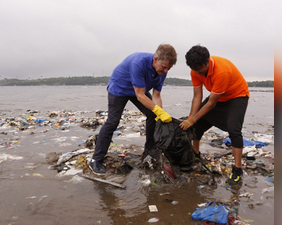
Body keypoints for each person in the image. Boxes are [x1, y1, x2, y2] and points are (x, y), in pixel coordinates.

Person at [89, 44, 177, 175]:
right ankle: (96, 160)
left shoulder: (162, 71)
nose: (165, 71)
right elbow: (140, 95)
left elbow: (156, 96)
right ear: (155, 59)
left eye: (168, 69)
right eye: (164, 67)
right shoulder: (138, 63)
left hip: (138, 91)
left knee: (153, 114)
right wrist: (159, 111)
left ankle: (150, 150)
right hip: (119, 89)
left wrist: (160, 113)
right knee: (113, 122)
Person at [179, 45, 250, 185]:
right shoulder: (195, 71)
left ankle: (237, 170)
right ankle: (196, 155)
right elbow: (197, 96)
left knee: (234, 129)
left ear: (207, 62)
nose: (197, 73)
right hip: (218, 97)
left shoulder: (221, 71)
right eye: (194, 70)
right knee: (197, 124)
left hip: (237, 96)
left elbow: (211, 103)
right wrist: (191, 118)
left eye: (199, 69)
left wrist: (193, 119)